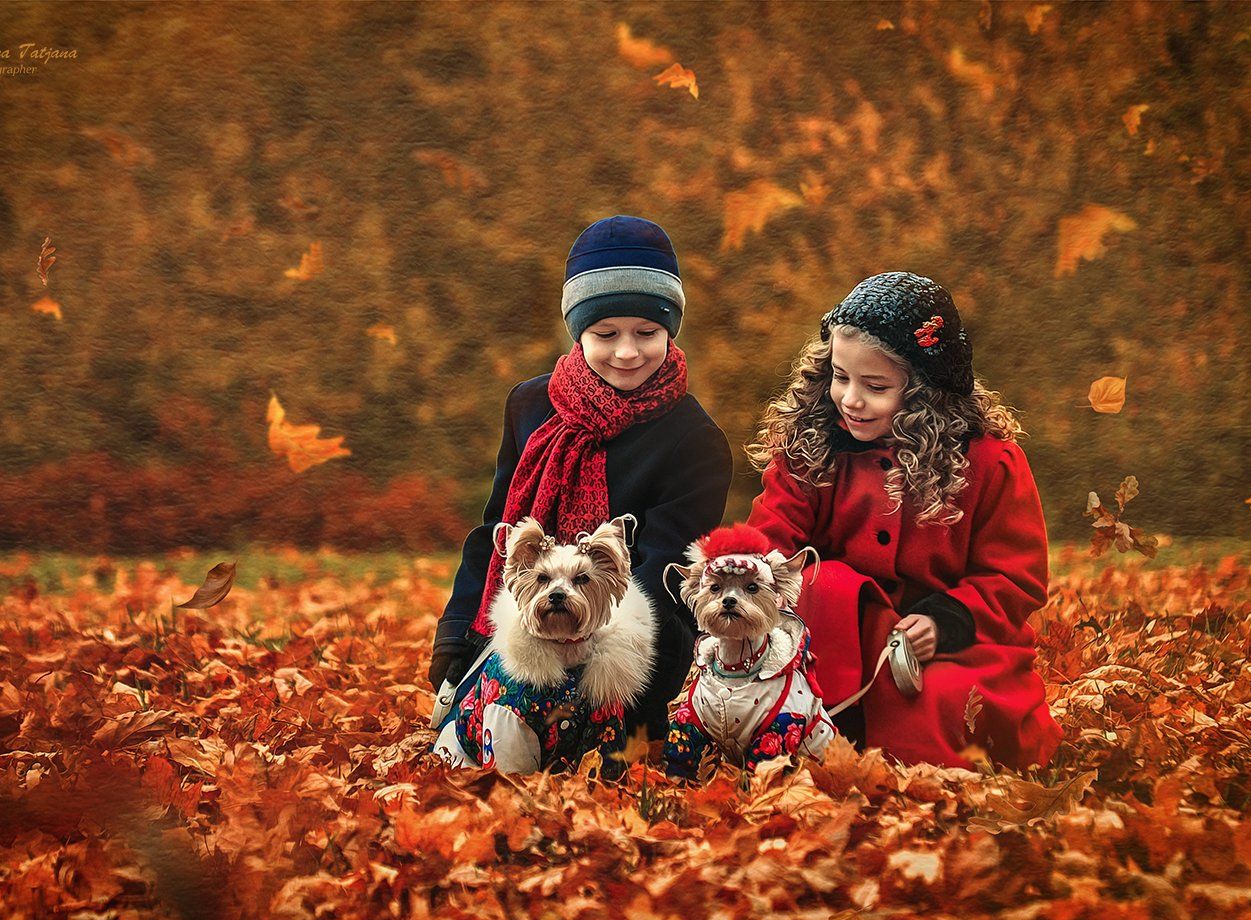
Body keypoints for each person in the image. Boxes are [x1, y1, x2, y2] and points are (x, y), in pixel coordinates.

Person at [427, 215, 733, 743]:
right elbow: (496, 532)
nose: (627, 352)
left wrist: (584, 659)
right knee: (476, 748)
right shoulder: (530, 405)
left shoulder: (695, 440)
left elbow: (663, 574)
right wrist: (455, 639)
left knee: (596, 757)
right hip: (522, 623)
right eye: (605, 334)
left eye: (647, 332)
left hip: (628, 648)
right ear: (578, 331)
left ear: (671, 331)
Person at [745, 271, 1062, 769]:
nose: (850, 399)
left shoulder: (989, 462)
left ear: (924, 392)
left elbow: (1014, 576)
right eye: (840, 377)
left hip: (950, 642)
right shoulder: (809, 449)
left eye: (875, 386)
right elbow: (770, 541)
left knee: (948, 704)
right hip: (829, 635)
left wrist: (946, 620)